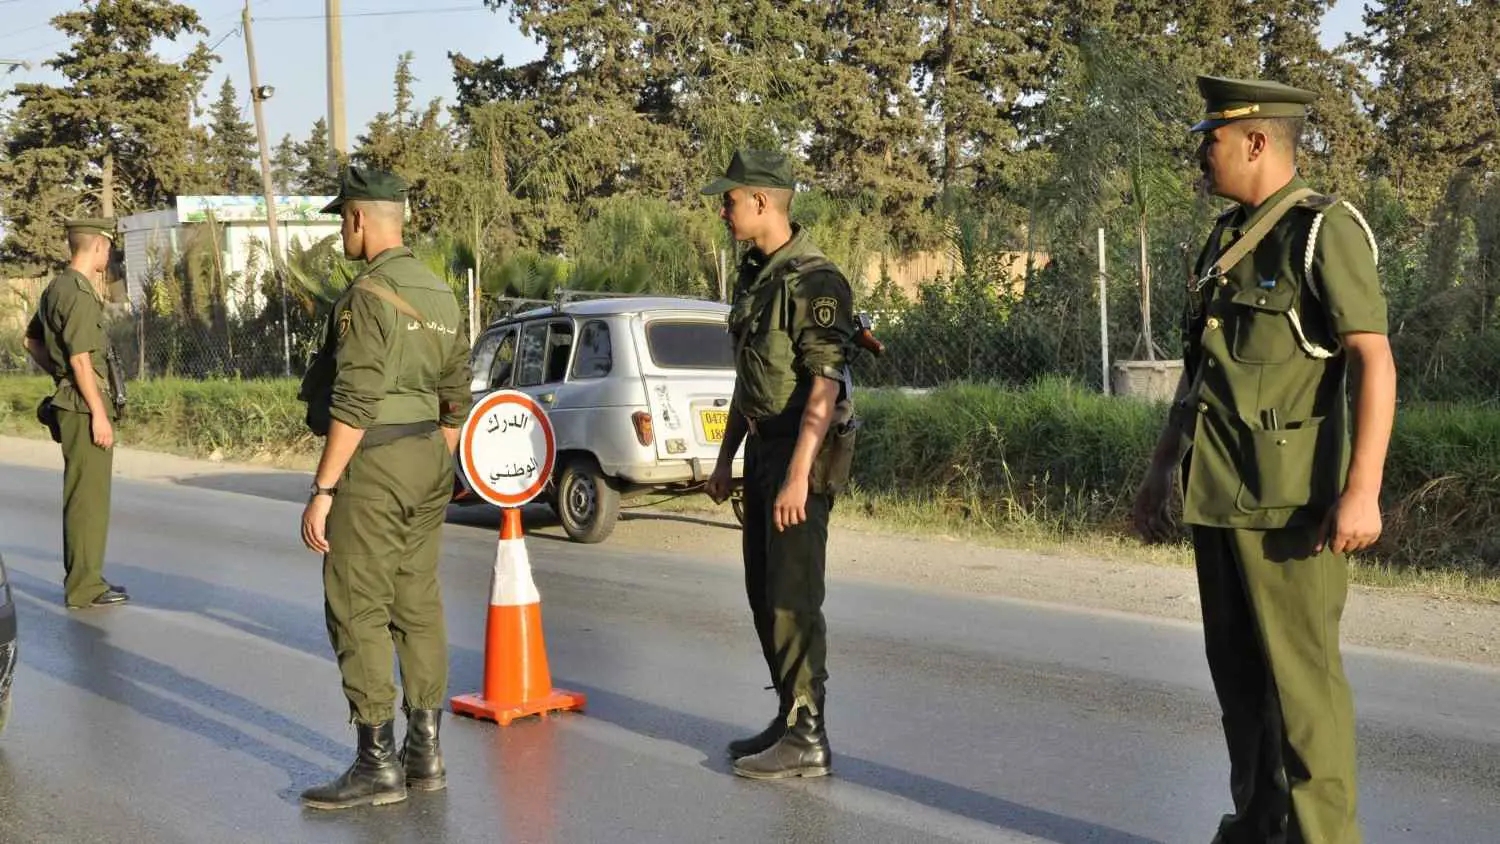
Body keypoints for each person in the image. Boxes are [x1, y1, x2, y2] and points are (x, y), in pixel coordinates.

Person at [1133, 77, 1397, 844]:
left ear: (1256, 141)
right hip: (1219, 497)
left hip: (1289, 509)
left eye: (1210, 139)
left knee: (1303, 692)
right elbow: (1200, 372)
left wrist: (1364, 490)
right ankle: (1259, 825)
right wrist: (1161, 469)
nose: (1200, 153)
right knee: (1240, 684)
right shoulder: (1227, 238)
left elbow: (1373, 362)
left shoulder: (1322, 232)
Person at [296, 166, 473, 810]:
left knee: (356, 604)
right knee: (417, 601)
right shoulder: (442, 295)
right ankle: (425, 754)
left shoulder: (368, 295)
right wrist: (432, 460)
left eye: (343, 219)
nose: (342, 231)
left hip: (375, 462)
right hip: (429, 456)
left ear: (360, 221)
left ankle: (377, 763)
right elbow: (456, 398)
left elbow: (355, 399)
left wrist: (324, 487)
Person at [702, 149, 860, 780]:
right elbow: (751, 378)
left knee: (793, 596)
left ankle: (809, 735)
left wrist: (797, 475)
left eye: (730, 200)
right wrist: (725, 461)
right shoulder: (756, 275)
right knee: (761, 591)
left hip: (804, 450)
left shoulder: (816, 281)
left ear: (762, 202)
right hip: (764, 446)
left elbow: (823, 386)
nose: (723, 210)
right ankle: (788, 716)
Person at [24, 218, 128, 610]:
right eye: (108, 248)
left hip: (71, 401)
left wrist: (60, 376)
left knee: (83, 495)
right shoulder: (80, 293)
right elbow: (82, 361)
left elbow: (30, 340)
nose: (109, 255)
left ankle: (87, 577)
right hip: (85, 408)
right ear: (99, 246)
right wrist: (99, 414)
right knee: (88, 499)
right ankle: (85, 587)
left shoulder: (56, 288)